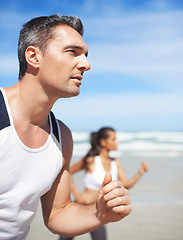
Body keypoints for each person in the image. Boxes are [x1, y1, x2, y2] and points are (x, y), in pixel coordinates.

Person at [0, 15, 132, 240]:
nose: (86, 65)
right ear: (34, 56)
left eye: (86, 55)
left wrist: (99, 212)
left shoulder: (62, 136)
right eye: (73, 52)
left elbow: (58, 214)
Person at [59, 127, 148, 240]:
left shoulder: (115, 162)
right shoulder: (91, 160)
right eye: (114, 139)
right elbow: (68, 171)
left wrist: (140, 172)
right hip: (81, 206)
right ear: (103, 142)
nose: (117, 142)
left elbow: (126, 184)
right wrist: (76, 196)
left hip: (97, 211)